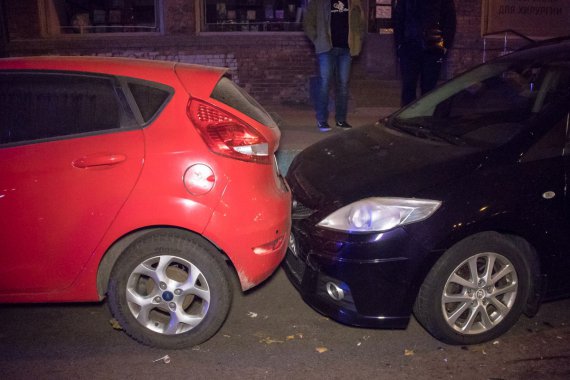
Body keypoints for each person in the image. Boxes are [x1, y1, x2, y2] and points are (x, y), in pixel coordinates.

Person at [304, 0, 365, 131]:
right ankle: (322, 120)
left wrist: (358, 40)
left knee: (343, 85)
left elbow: (361, 23)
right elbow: (308, 22)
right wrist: (317, 39)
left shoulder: (354, 2)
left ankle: (341, 120)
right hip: (326, 48)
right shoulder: (319, 2)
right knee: (324, 83)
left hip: (346, 49)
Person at [393, 0, 456, 106]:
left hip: (433, 48)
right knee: (408, 88)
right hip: (410, 47)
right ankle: (407, 118)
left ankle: (424, 118)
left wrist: (444, 46)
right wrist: (400, 45)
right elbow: (398, 19)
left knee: (429, 90)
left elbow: (450, 21)